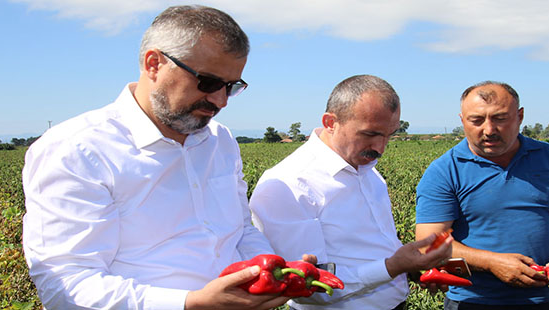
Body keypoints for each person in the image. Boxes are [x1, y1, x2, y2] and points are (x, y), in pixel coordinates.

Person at [22, 5, 307, 310]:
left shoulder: (220, 141)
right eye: (208, 82)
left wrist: (272, 271)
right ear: (154, 64)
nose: (220, 100)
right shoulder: (77, 150)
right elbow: (66, 286)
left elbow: (238, 230)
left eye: (231, 86)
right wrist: (190, 303)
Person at [248, 74, 453, 310]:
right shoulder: (287, 184)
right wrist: (393, 266)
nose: (380, 148)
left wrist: (413, 267)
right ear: (330, 122)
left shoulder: (367, 171)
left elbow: (371, 248)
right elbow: (307, 288)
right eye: (370, 134)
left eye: (389, 135)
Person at [415, 81, 549, 309]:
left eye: (500, 118)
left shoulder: (548, 156)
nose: (489, 130)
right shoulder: (445, 170)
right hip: (475, 302)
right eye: (476, 120)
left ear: (519, 116)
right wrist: (491, 263)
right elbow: (429, 244)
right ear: (462, 121)